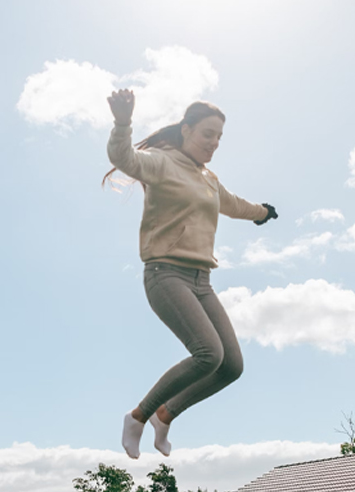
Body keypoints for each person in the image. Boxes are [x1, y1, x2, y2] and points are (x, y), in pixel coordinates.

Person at [105, 88, 278, 459]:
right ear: (185, 130)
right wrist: (122, 123)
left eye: (219, 137)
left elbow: (231, 204)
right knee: (207, 354)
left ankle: (166, 414)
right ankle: (139, 416)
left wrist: (261, 212)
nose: (213, 143)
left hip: (202, 281)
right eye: (207, 134)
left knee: (231, 366)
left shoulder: (208, 179)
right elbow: (123, 158)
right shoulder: (161, 163)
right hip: (166, 275)